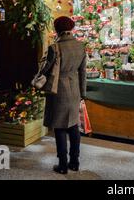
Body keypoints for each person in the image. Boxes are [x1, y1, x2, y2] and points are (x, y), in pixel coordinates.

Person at [41, 16, 87, 174]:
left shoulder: (55, 48)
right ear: (71, 28)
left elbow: (45, 70)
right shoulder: (81, 46)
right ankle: (74, 162)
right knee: (74, 126)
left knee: (59, 127)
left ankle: (62, 165)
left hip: (58, 90)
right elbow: (83, 72)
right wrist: (82, 93)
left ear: (57, 29)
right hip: (74, 90)